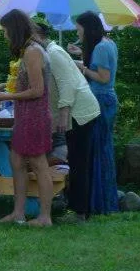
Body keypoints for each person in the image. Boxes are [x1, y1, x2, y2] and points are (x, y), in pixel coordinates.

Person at [0, 9, 54, 227]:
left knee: (38, 163)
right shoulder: (28, 50)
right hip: (25, 115)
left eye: (5, 30)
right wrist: (6, 92)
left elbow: (37, 90)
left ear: (14, 30)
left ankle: (45, 217)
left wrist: (5, 96)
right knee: (16, 160)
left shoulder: (33, 51)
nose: (4, 35)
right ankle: (18, 213)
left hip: (35, 116)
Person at [33, 22, 101, 218]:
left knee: (79, 162)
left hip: (80, 113)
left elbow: (67, 84)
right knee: (76, 161)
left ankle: (80, 211)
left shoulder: (54, 53)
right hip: (75, 111)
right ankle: (78, 207)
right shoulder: (47, 53)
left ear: (38, 36)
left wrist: (63, 115)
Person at [74, 10, 119, 214]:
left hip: (100, 99)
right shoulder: (108, 43)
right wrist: (80, 56)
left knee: (98, 149)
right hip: (106, 99)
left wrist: (82, 69)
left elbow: (103, 77)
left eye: (79, 29)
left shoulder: (100, 47)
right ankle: (104, 200)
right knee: (103, 148)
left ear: (87, 28)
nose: (78, 33)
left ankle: (101, 203)